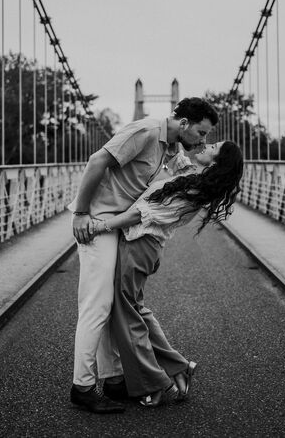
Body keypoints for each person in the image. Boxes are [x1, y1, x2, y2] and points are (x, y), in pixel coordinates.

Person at [69, 98, 219, 413]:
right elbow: (98, 161)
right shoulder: (146, 130)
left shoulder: (171, 150)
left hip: (115, 226)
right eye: (201, 133)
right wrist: (81, 213)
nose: (203, 141)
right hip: (97, 221)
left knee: (112, 305)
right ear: (185, 124)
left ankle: (112, 380)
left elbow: (172, 196)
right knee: (97, 305)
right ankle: (82, 387)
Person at [89, 141, 243, 407]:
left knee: (127, 314)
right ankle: (178, 366)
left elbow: (139, 215)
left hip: (140, 245)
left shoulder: (194, 190)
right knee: (135, 309)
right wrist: (172, 136)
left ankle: (155, 382)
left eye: (213, 145)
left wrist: (99, 226)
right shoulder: (194, 179)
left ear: (217, 162)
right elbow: (179, 157)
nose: (206, 143)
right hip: (142, 245)